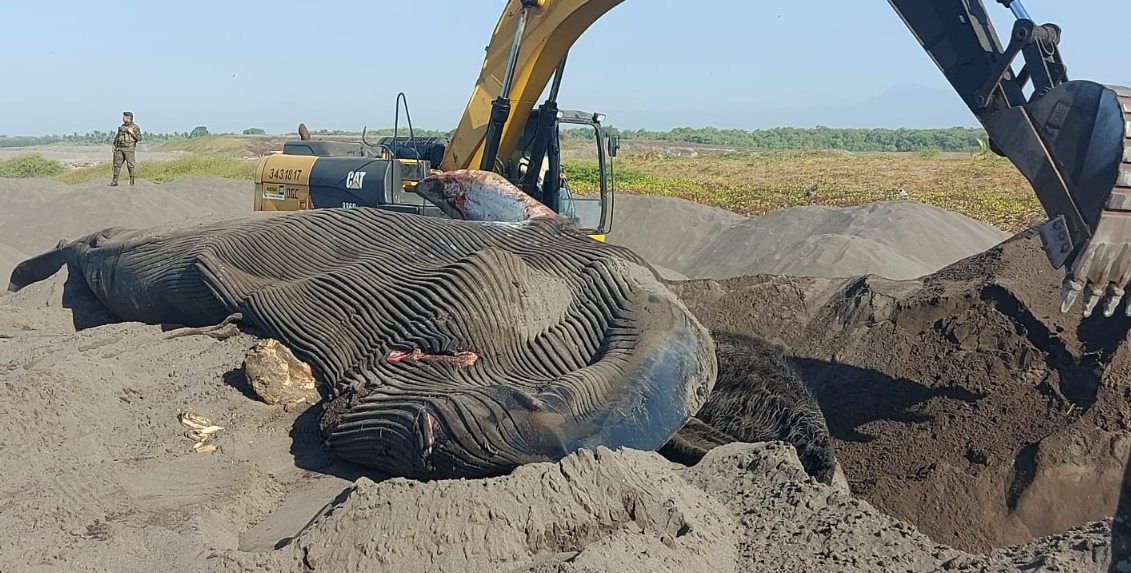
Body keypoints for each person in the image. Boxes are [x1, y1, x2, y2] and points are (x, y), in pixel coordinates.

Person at [109, 111, 142, 186]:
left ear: (128, 118)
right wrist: (114, 145)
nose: (123, 118)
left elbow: (139, 138)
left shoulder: (135, 127)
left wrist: (131, 133)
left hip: (129, 148)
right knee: (117, 165)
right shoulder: (122, 127)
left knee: (130, 165)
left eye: (124, 116)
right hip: (120, 148)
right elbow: (117, 137)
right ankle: (114, 181)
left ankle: (132, 181)